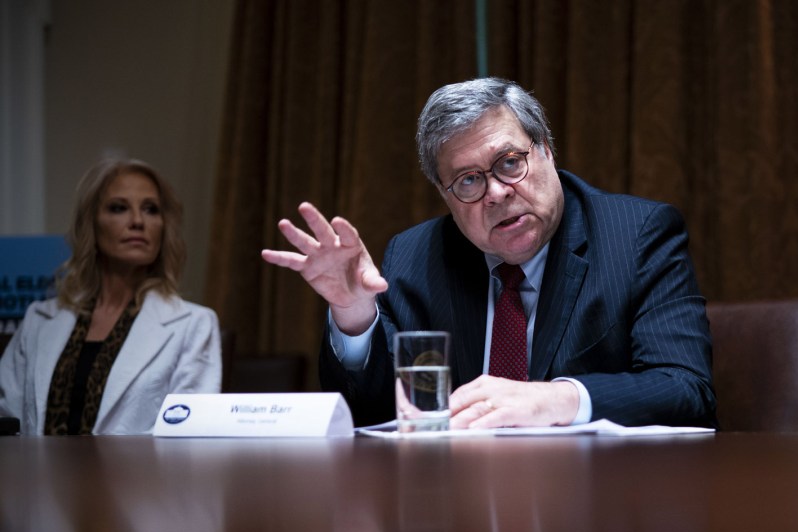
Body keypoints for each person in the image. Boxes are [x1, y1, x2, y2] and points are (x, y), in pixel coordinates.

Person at [262, 77, 716, 429]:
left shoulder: (636, 236)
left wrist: (555, 399)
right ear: (446, 196)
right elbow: (376, 412)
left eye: (509, 163)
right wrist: (354, 314)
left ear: (547, 153)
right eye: (469, 181)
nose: (496, 193)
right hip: (455, 514)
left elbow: (686, 390)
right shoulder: (416, 256)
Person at [0, 158, 222, 435]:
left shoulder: (194, 324)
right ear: (91, 223)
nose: (138, 221)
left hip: (140, 479)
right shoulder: (39, 319)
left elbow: (187, 437)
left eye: (151, 210)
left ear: (164, 226)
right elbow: (7, 422)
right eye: (119, 208)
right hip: (33, 477)